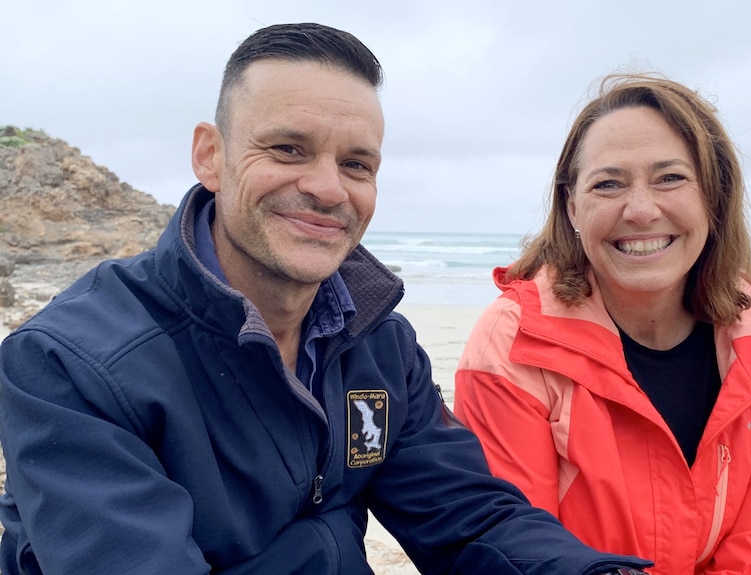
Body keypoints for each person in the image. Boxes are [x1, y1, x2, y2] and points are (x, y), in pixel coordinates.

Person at [0, 24, 652, 575]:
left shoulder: (378, 345)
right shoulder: (69, 367)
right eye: (288, 149)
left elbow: (467, 516)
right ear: (211, 155)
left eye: (356, 164)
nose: (327, 187)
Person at [454, 73, 751, 574]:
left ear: (714, 196)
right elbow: (516, 549)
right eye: (607, 184)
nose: (640, 210)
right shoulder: (513, 343)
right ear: (572, 207)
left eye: (670, 178)